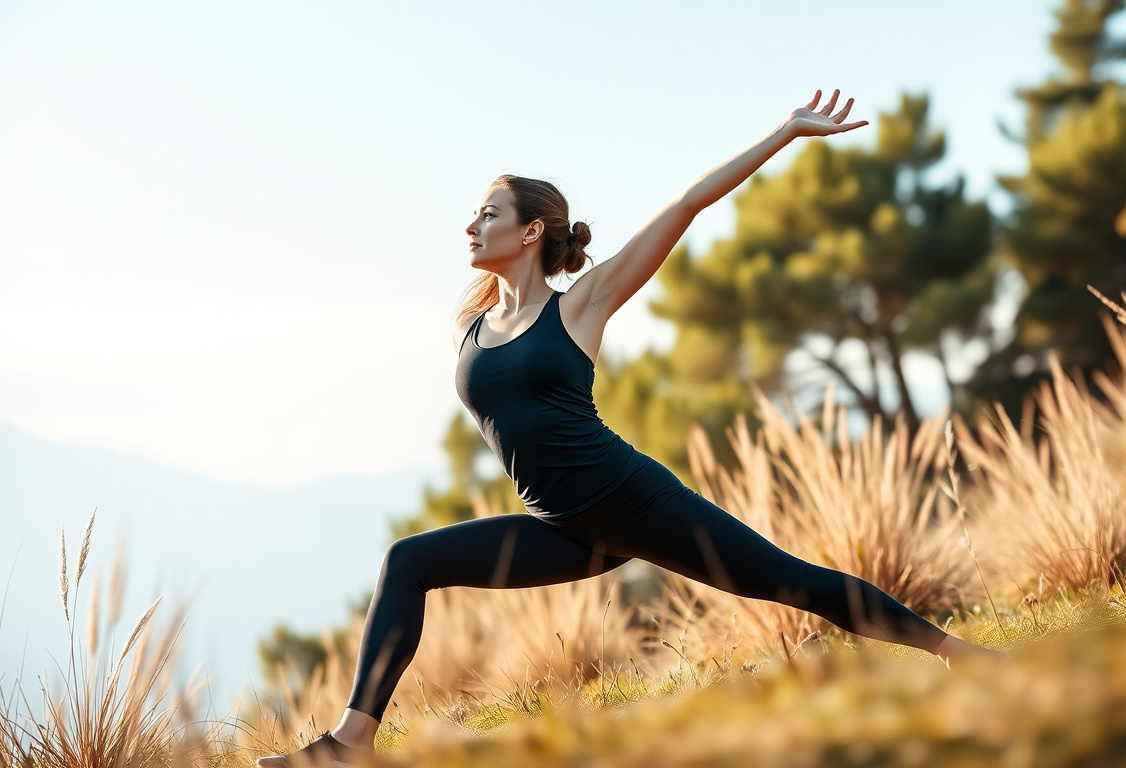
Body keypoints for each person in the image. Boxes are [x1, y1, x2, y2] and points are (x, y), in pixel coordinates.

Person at [257, 89, 1005, 768]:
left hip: (632, 501)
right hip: (563, 526)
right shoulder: (474, 322)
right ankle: (349, 744)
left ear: (531, 231)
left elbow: (685, 205)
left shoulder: (579, 306)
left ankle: (954, 652)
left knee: (792, 582)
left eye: (488, 212)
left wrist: (783, 133)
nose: (472, 223)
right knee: (409, 560)